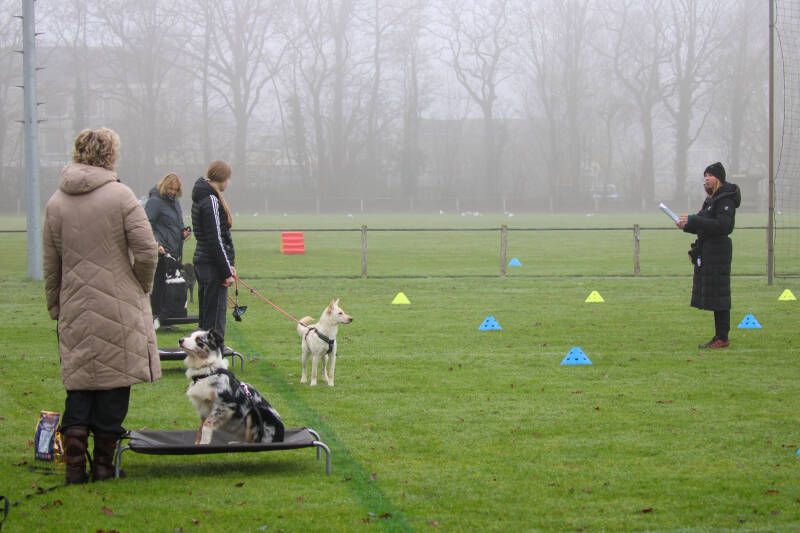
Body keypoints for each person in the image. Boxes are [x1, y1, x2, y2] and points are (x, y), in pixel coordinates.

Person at [43, 128, 161, 484]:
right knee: (115, 381)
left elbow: (51, 264)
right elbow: (146, 251)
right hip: (118, 302)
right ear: (110, 154)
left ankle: (74, 464)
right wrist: (139, 285)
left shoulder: (55, 203)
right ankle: (104, 465)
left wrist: (56, 305)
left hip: (75, 303)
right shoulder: (121, 196)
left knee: (80, 383)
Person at [677, 162, 741, 349]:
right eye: (705, 175)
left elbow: (723, 226)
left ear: (719, 178)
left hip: (718, 251)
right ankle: (720, 336)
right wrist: (686, 226)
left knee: (720, 295)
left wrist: (694, 219)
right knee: (714, 294)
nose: (706, 179)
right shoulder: (711, 200)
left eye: (710, 175)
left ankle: (722, 337)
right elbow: (702, 223)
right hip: (708, 250)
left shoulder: (726, 200)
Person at [191, 160, 236, 344]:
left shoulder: (202, 196)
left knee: (206, 318)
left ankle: (203, 354)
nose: (229, 182)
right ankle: (212, 356)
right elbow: (215, 239)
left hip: (204, 262)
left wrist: (229, 265)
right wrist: (226, 271)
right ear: (222, 177)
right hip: (211, 266)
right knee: (214, 321)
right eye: (228, 178)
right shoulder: (210, 200)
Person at [145, 172, 191, 329]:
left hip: (173, 249)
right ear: (164, 186)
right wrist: (156, 243)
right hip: (161, 250)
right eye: (170, 188)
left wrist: (183, 232)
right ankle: (156, 317)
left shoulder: (175, 202)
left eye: (175, 190)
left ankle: (166, 319)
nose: (172, 192)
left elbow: (177, 224)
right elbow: (147, 225)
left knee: (169, 285)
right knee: (159, 283)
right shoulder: (155, 202)